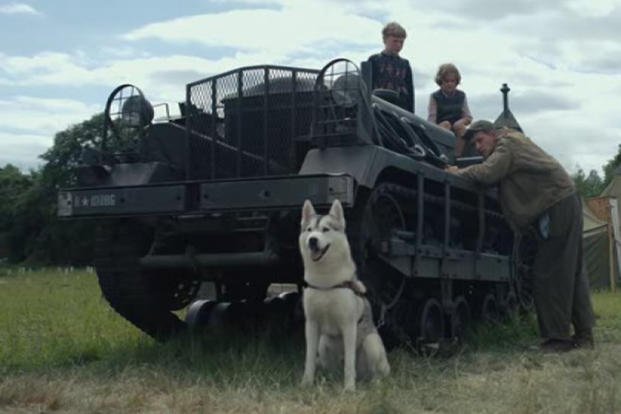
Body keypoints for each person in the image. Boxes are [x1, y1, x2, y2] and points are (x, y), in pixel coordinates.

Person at [446, 120, 595, 352]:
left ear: (492, 134)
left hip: (556, 204)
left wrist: (457, 172)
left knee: (548, 273)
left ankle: (557, 339)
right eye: (474, 143)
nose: (477, 147)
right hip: (563, 201)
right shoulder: (513, 141)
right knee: (571, 271)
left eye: (479, 140)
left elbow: (487, 173)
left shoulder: (507, 144)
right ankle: (584, 336)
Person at [366, 22, 414, 112]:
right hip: (378, 108)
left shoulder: (405, 64)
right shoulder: (374, 60)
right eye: (395, 41)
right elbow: (367, 87)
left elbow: (410, 92)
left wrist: (411, 115)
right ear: (385, 40)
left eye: (401, 42)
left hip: (401, 109)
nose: (399, 45)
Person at [427, 63, 472, 157]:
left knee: (460, 127)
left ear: (456, 82)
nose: (450, 84)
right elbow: (431, 119)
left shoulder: (461, 95)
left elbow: (468, 117)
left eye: (453, 81)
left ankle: (457, 155)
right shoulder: (435, 97)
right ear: (441, 81)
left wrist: (461, 122)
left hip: (457, 128)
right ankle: (444, 154)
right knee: (446, 124)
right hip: (442, 128)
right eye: (446, 81)